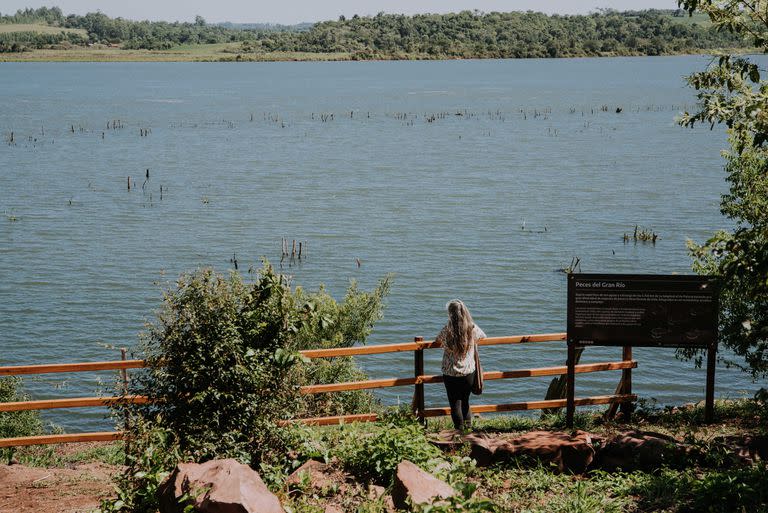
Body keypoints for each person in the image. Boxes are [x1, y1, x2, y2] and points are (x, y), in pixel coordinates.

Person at [436, 299, 485, 431]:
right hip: (468, 371)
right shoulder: (471, 328)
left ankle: (459, 432)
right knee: (465, 402)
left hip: (450, 372)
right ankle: (468, 431)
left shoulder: (448, 330)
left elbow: (438, 340)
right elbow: (482, 336)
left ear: (450, 314)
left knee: (455, 404)